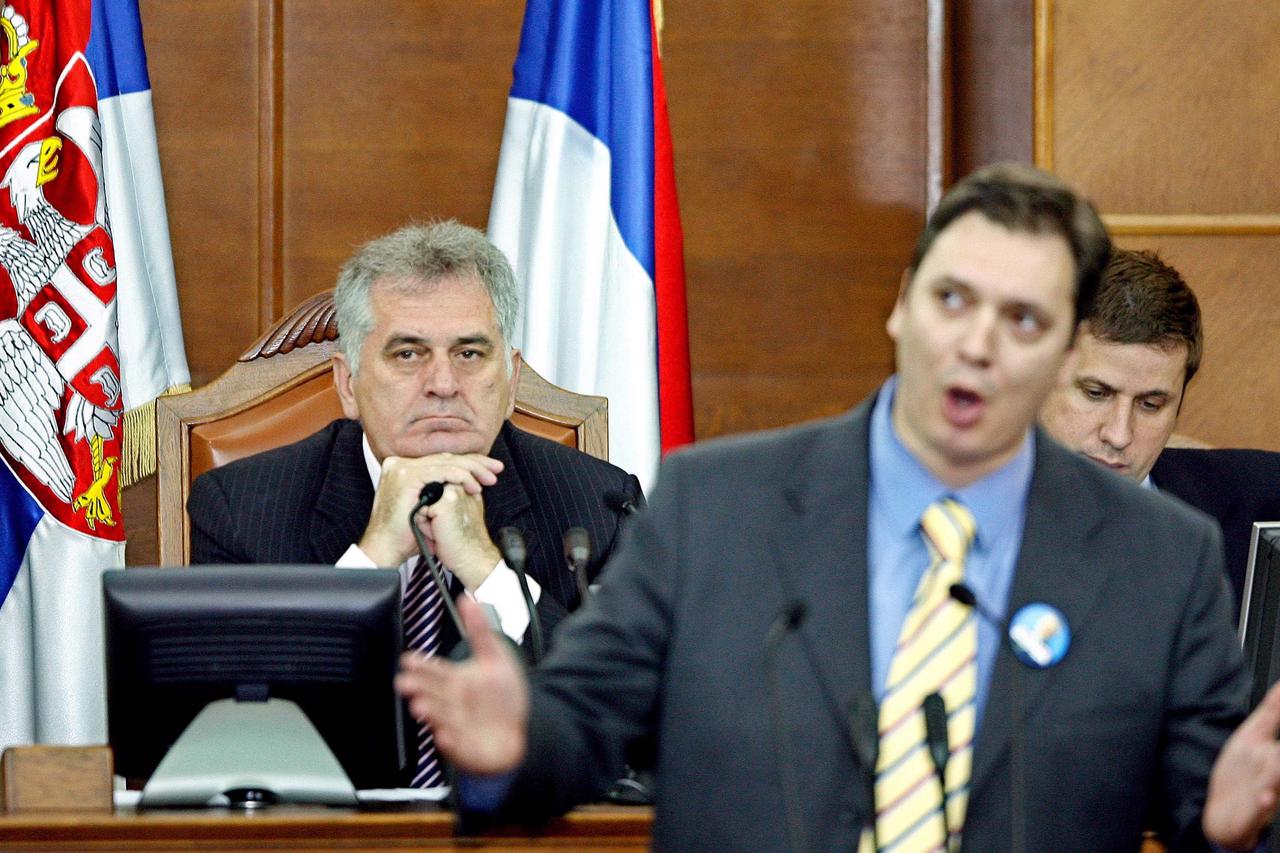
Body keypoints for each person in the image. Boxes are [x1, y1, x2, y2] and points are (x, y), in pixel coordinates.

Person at [396, 166, 1280, 851]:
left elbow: (1211, 800)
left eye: (1022, 319)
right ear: (901, 305)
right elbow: (584, 722)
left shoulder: (1159, 555)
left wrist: (1238, 820)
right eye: (953, 300)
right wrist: (514, 743)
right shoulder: (720, 507)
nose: (976, 344)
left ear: (1056, 352)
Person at [187, 221, 642, 784]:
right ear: (348, 384)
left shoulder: (597, 505)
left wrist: (487, 568)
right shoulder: (241, 506)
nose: (443, 383)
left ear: (511, 380)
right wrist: (371, 558)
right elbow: (229, 733)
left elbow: (628, 726)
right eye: (408, 354)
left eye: (471, 353)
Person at [1039, 248, 1280, 611]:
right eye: (1096, 393)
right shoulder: (953, 518)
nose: (1119, 435)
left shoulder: (1256, 502)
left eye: (1150, 405)